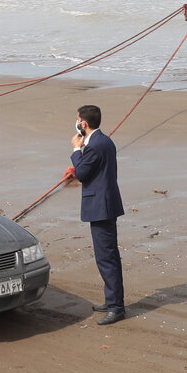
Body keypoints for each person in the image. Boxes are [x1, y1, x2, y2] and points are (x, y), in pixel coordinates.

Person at [71, 105, 126, 325]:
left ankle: (116, 307)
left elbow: (82, 173)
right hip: (106, 204)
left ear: (83, 124)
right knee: (107, 257)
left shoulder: (95, 145)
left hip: (102, 208)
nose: (76, 123)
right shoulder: (102, 140)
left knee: (106, 258)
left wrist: (76, 150)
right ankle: (111, 300)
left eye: (77, 120)